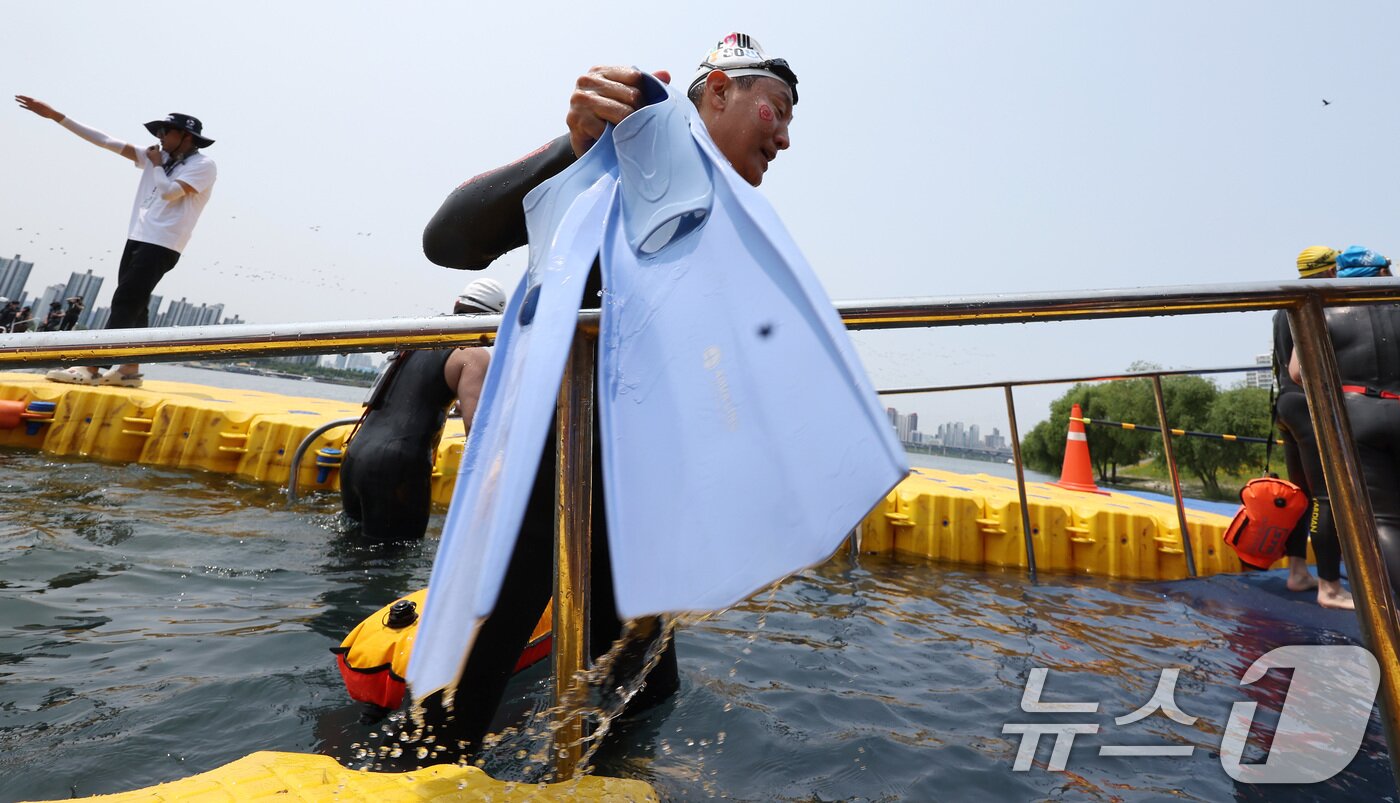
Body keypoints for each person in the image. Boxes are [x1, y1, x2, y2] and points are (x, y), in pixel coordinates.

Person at [406, 33, 795, 761]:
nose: (785, 136)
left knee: (649, 697)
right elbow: (447, 240)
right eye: (776, 109)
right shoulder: (614, 169)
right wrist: (574, 146)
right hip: (543, 480)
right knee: (455, 712)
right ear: (717, 93)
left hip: (632, 512)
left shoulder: (721, 228)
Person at [16, 96, 217, 387]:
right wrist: (57, 117)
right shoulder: (157, 159)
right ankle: (130, 370)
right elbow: (106, 141)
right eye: (157, 132)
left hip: (162, 243)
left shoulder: (203, 164)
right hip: (138, 237)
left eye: (165, 132)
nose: (159, 138)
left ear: (186, 137)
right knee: (137, 306)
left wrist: (157, 165)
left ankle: (93, 367)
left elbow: (170, 193)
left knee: (125, 300)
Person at [339, 278, 507, 542]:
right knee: (393, 560)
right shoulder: (473, 354)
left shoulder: (416, 338)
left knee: (351, 551)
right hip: (398, 467)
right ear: (495, 325)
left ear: (456, 305)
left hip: (355, 456)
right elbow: (477, 430)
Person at [1289, 245, 1400, 597]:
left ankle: (1391, 614)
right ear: (1382, 272)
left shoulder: (1323, 311)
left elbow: (1297, 372)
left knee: (1384, 520)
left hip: (1357, 412)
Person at [1272, 246, 1350, 609]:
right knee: (1326, 497)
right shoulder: (1316, 302)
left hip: (1285, 405)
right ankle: (1330, 588)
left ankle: (1298, 572)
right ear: (1329, 271)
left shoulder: (1283, 305)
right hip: (1306, 405)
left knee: (1300, 496)